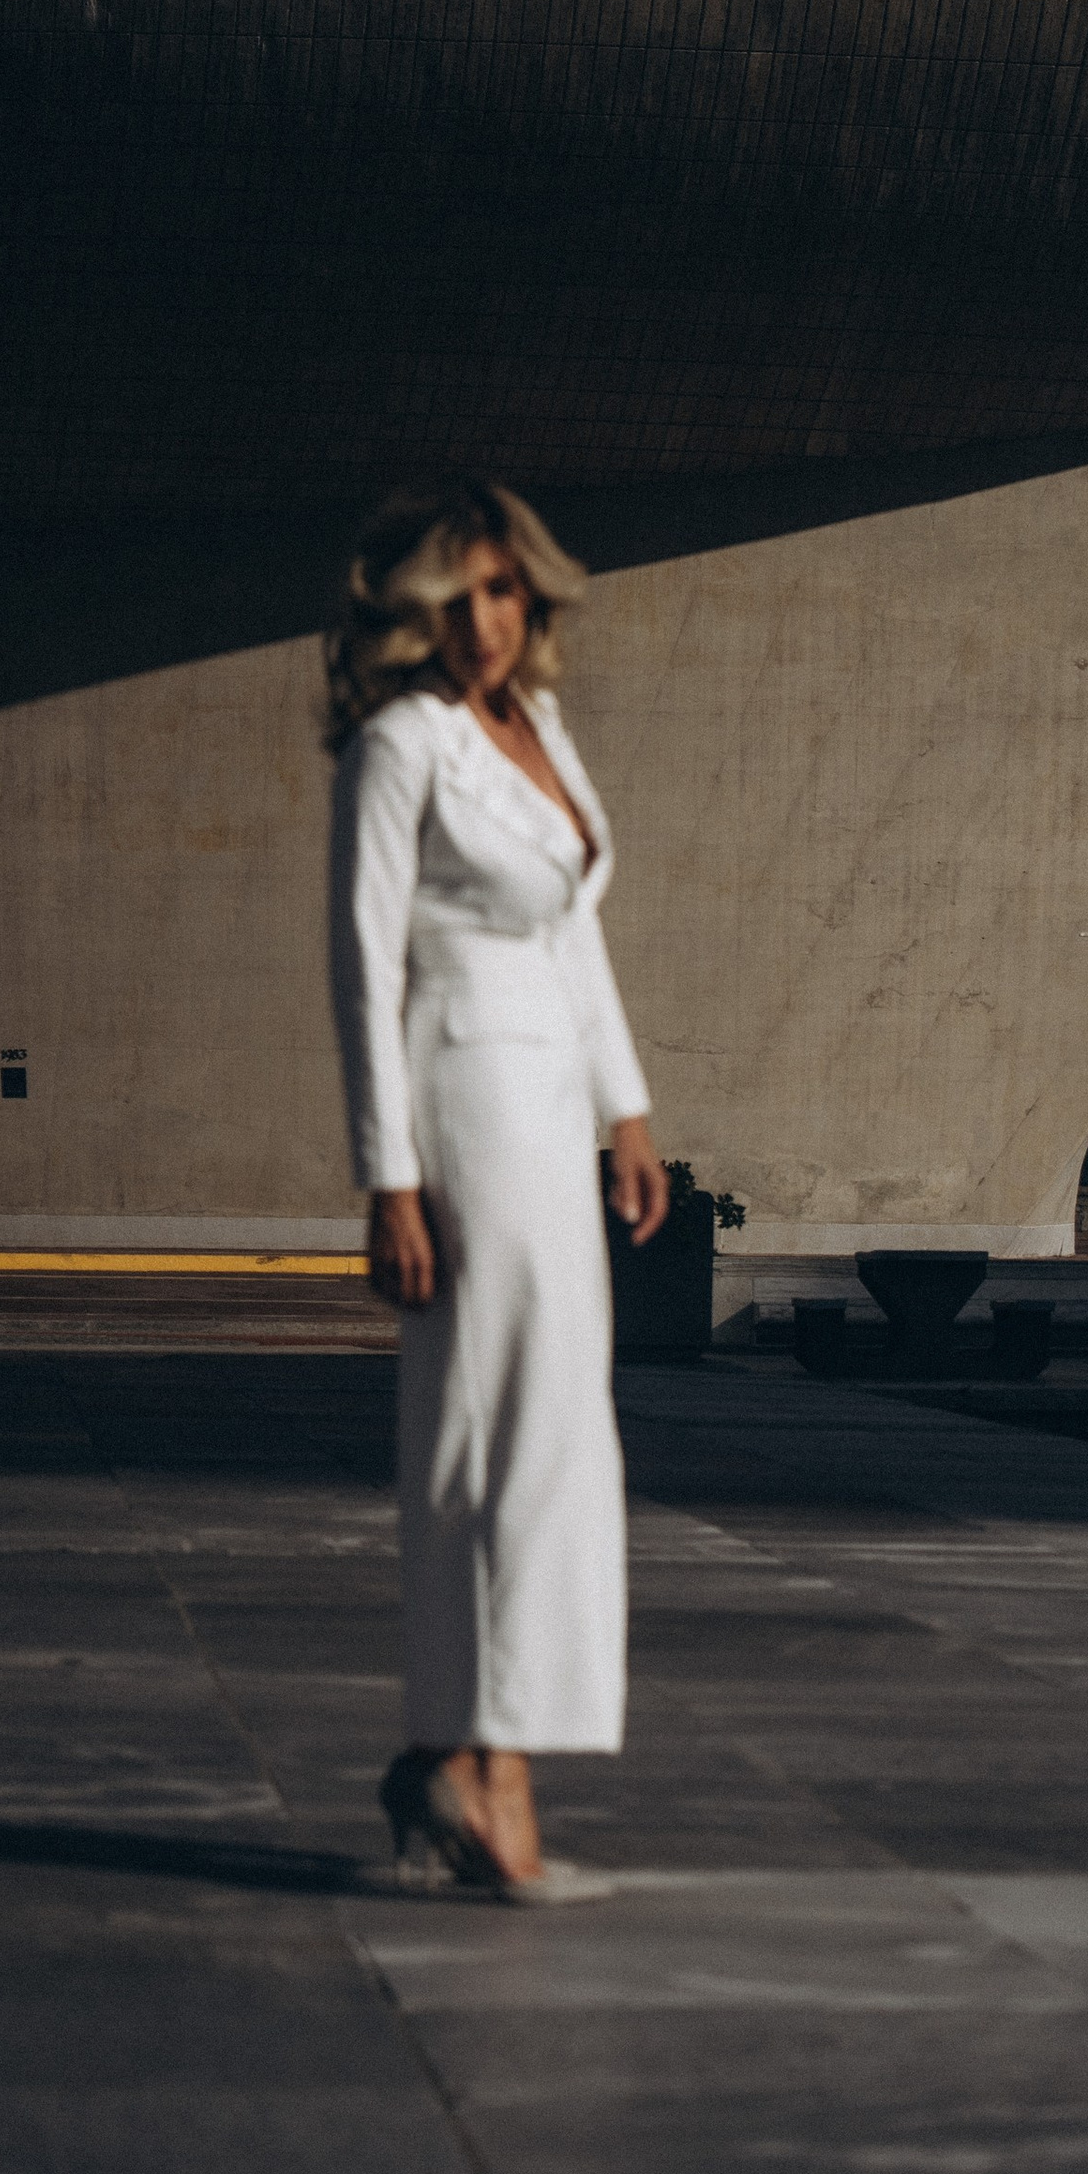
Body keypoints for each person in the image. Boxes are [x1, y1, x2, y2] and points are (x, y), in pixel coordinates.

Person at [325, 477, 669, 1905]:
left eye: (505, 590)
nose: (486, 617)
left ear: (533, 599)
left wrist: (628, 1110)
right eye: (459, 595)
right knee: (487, 1432)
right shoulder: (401, 743)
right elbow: (361, 961)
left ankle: (477, 1756)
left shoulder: (541, 735)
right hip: (461, 1089)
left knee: (558, 1434)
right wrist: (387, 1181)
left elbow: (576, 938)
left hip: (549, 1100)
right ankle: (481, 1766)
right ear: (419, 611)